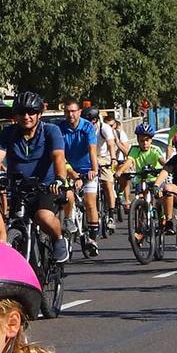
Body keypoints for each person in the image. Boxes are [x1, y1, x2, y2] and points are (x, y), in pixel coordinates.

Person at [0, 94, 70, 263]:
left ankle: (59, 239)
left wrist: (60, 179)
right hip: (18, 189)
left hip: (46, 187)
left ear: (39, 114)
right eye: (21, 112)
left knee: (43, 216)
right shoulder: (8, 133)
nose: (26, 117)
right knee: (14, 223)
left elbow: (58, 157)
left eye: (31, 112)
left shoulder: (50, 131)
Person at [56, 100, 102, 247]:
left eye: (73, 111)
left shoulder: (87, 127)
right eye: (67, 111)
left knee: (89, 202)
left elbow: (92, 150)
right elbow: (59, 154)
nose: (71, 114)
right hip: (67, 168)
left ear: (79, 112)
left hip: (87, 169)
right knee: (66, 196)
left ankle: (93, 240)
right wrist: (72, 173)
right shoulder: (59, 128)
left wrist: (94, 170)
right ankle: (68, 219)